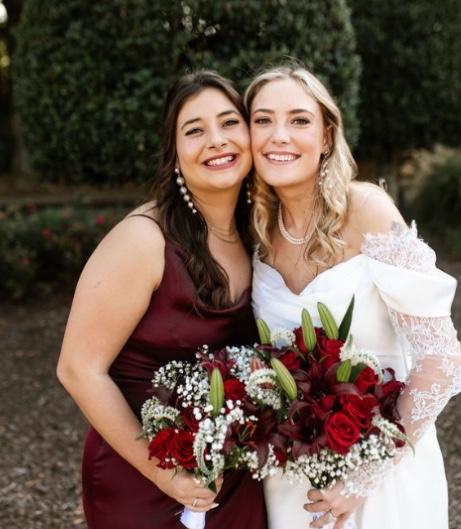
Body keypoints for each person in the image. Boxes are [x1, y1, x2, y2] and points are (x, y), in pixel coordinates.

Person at [246, 65, 461, 529]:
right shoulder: (255, 232)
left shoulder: (367, 210)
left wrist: (362, 477)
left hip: (384, 477)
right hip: (291, 480)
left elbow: (442, 361)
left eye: (299, 120)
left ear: (326, 136)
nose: (279, 135)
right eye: (263, 120)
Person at [57, 71, 267, 529]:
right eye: (194, 130)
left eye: (229, 122)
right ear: (174, 153)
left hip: (234, 477)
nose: (216, 140)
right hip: (143, 478)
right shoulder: (143, 240)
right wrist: (164, 473)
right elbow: (78, 368)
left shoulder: (259, 233)